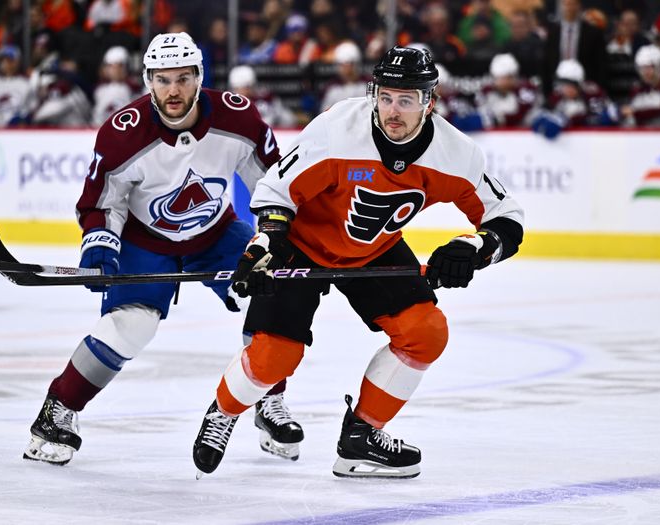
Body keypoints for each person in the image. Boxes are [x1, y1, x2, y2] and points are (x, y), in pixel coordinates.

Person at [192, 46, 524, 479]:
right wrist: (268, 242)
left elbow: (506, 218)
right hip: (302, 243)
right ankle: (224, 411)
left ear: (430, 101)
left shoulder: (455, 154)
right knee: (274, 357)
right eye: (385, 97)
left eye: (406, 100)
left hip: (375, 248)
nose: (392, 111)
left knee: (425, 333)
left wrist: (476, 247)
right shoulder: (337, 130)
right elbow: (277, 192)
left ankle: (362, 437)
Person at [23, 32, 303, 466]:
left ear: (199, 77)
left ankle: (266, 399)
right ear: (147, 80)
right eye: (162, 79)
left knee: (274, 296)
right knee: (129, 327)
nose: (173, 91)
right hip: (144, 241)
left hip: (216, 234)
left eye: (184, 78)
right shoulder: (123, 134)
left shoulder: (239, 119)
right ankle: (57, 412)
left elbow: (273, 185)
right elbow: (103, 202)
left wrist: (274, 237)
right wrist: (101, 243)